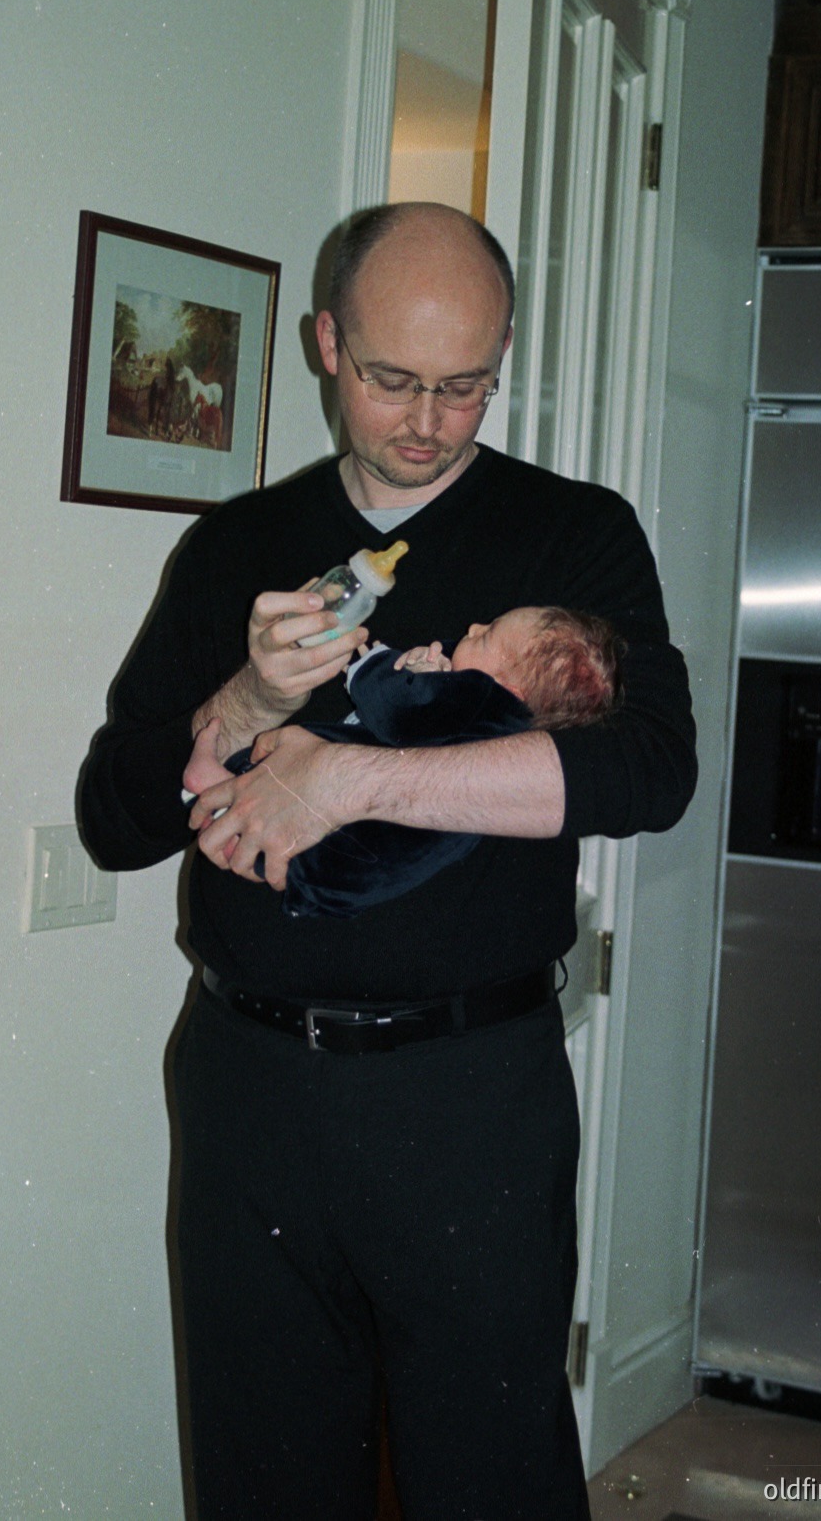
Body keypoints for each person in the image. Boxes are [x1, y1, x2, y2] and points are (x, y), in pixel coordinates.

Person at [79, 201, 696, 1521]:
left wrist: (355, 772)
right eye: (390, 380)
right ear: (325, 345)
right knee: (264, 1474)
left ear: (503, 356)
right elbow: (114, 821)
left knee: (488, 1478)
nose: (426, 421)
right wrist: (245, 700)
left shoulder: (574, 536)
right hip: (249, 1087)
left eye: (464, 385)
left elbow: (652, 773)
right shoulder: (232, 550)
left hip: (469, 1095)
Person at [181, 605, 624, 918]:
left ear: (511, 690)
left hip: (351, 850)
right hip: (368, 873)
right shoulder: (505, 726)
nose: (472, 625)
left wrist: (377, 666)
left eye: (486, 635)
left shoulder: (476, 701)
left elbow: (393, 709)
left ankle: (210, 785)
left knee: (279, 838)